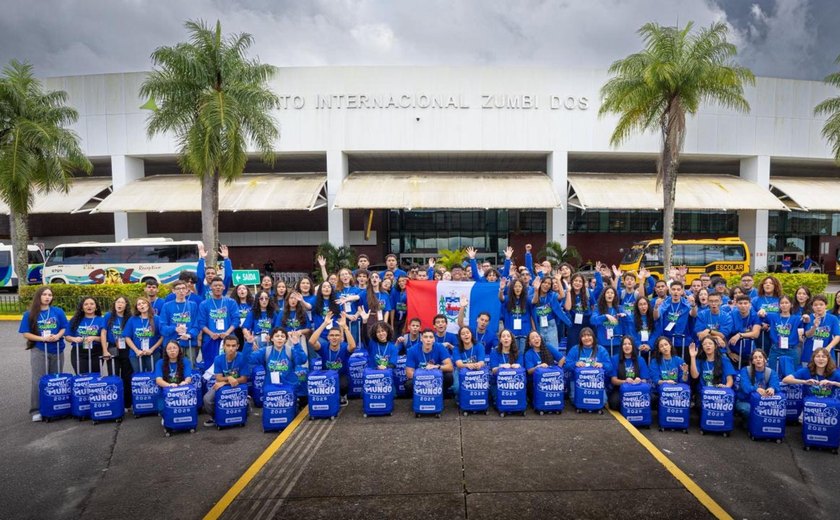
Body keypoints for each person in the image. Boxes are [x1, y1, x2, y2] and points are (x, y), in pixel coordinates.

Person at [20, 286, 68, 422]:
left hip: (57, 348)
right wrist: (42, 338)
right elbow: (25, 333)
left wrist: (58, 336)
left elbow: (65, 327)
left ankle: (55, 407)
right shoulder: (29, 314)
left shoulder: (58, 311)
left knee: (56, 379)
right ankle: (36, 409)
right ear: (39, 296)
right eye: (45, 294)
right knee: (39, 379)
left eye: (50, 295)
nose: (47, 297)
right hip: (39, 349)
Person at [203, 335, 251, 426]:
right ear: (224, 346)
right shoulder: (218, 359)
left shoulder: (242, 358)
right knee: (207, 399)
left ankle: (244, 409)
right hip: (222, 385)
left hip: (237, 384)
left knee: (241, 396)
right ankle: (216, 417)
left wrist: (225, 382)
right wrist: (228, 378)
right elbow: (218, 378)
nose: (231, 348)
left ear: (237, 346)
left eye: (233, 346)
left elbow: (244, 379)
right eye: (228, 345)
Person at [309, 312, 355, 405]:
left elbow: (353, 346)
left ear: (341, 338)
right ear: (328, 337)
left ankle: (342, 395)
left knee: (343, 385)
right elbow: (311, 341)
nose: (334, 338)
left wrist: (345, 328)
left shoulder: (344, 347)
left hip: (341, 376)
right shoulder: (324, 346)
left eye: (337, 335)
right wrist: (324, 324)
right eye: (332, 335)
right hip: (326, 375)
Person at [197, 276, 239, 366]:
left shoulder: (231, 302)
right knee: (210, 366)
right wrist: (211, 334)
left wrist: (227, 333)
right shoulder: (204, 304)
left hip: (229, 340)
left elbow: (236, 320)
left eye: (220, 285)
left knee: (229, 366)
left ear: (224, 287)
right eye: (215, 285)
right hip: (210, 339)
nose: (218, 287)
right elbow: (201, 322)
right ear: (210, 287)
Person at [564, 327, 612, 400]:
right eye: (583, 336)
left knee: (603, 401)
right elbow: (566, 366)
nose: (586, 338)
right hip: (578, 382)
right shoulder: (575, 349)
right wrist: (575, 364)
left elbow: (610, 367)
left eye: (589, 335)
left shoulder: (601, 350)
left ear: (593, 337)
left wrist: (602, 364)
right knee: (576, 400)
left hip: (596, 383)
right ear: (580, 339)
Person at [102, 296, 133, 409]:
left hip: (126, 348)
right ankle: (115, 403)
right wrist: (105, 350)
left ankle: (127, 403)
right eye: (117, 302)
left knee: (126, 376)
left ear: (126, 305)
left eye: (122, 302)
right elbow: (104, 333)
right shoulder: (108, 316)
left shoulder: (129, 317)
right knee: (113, 375)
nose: (119, 304)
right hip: (112, 348)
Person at [160, 280, 201, 364]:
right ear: (173, 291)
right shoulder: (167, 306)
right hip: (172, 344)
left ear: (187, 290)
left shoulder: (193, 305)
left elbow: (197, 324)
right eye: (178, 289)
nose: (181, 291)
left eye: (183, 288)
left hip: (189, 343)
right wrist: (175, 329)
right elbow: (162, 327)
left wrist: (190, 334)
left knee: (190, 367)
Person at [653, 281, 697, 359]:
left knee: (683, 365)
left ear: (682, 291)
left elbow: (693, 314)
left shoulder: (686, 303)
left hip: (684, 341)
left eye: (678, 289)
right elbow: (656, 317)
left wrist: (693, 305)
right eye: (673, 289)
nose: (676, 292)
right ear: (670, 291)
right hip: (668, 341)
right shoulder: (665, 303)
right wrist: (656, 307)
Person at [404, 328, 454, 395]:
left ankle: (441, 396)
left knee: (449, 376)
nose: (428, 340)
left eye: (431, 337)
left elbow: (450, 367)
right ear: (421, 339)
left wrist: (436, 367)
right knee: (408, 384)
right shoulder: (412, 350)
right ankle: (419, 398)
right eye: (425, 337)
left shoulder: (440, 347)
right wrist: (426, 378)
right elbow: (409, 373)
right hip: (420, 379)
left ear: (434, 339)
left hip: (437, 378)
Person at [65, 296, 105, 375]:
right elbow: (67, 336)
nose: (89, 306)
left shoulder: (101, 320)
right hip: (79, 351)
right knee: (81, 377)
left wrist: (94, 338)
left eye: (92, 304)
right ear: (82, 308)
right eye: (86, 304)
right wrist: (74, 339)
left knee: (95, 377)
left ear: (96, 307)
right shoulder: (74, 320)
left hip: (96, 352)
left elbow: (104, 338)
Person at [608, 335, 650, 410]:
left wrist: (639, 381)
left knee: (652, 399)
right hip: (620, 388)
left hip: (637, 388)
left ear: (633, 346)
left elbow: (645, 379)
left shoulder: (640, 360)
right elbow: (613, 380)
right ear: (621, 346)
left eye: (629, 344)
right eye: (624, 344)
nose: (627, 346)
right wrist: (625, 381)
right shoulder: (614, 359)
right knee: (614, 402)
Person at [735, 350, 780, 417]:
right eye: (755, 358)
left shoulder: (771, 372)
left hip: (763, 402)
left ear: (765, 360)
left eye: (760, 357)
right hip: (745, 401)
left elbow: (776, 384)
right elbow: (746, 388)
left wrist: (772, 388)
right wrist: (757, 389)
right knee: (749, 409)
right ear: (752, 361)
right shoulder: (745, 370)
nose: (758, 359)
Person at [124, 297, 163, 373]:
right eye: (139, 304)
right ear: (137, 308)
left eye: (144, 303)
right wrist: (136, 351)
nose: (141, 305)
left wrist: (152, 349)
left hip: (153, 353)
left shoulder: (157, 319)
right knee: (138, 376)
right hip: (136, 354)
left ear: (148, 305)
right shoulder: (132, 319)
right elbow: (127, 337)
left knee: (153, 375)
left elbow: (162, 336)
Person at [765, 295, 803, 373]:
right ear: (779, 305)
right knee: (772, 372)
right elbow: (760, 318)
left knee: (792, 372)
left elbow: (805, 325)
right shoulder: (772, 316)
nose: (784, 305)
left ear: (791, 305)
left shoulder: (797, 318)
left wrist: (806, 318)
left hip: (791, 348)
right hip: (775, 348)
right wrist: (761, 313)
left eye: (786, 303)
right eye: (782, 303)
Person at [802, 295, 840, 366]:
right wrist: (815, 326)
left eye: (821, 304)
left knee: (828, 375)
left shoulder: (833, 318)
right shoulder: (809, 317)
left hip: (826, 354)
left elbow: (837, 336)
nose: (818, 307)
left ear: (826, 305)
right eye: (815, 305)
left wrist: (828, 347)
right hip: (809, 354)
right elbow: (807, 335)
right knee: (808, 375)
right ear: (812, 307)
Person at [727, 295, 762, 369]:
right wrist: (729, 353)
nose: (743, 306)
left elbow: (756, 334)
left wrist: (740, 335)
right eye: (740, 303)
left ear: (750, 304)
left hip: (750, 352)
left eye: (745, 303)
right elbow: (724, 335)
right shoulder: (730, 315)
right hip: (734, 352)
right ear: (736, 304)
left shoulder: (754, 316)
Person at [591, 286, 625, 357]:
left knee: (616, 363)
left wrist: (625, 316)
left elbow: (629, 321)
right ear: (604, 295)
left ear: (615, 296)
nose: (610, 294)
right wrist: (605, 316)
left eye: (612, 293)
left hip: (617, 342)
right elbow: (592, 320)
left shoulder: (620, 308)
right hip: (603, 343)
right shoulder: (598, 308)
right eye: (607, 293)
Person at [499, 277, 532, 351]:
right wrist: (501, 290)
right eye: (515, 286)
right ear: (512, 288)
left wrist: (536, 290)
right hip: (512, 333)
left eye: (520, 286)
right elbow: (501, 299)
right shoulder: (508, 299)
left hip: (524, 332)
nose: (518, 288)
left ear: (523, 288)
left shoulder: (527, 299)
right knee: (514, 354)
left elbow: (534, 302)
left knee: (522, 353)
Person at [630, 296, 656, 361]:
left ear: (648, 305)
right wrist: (638, 345)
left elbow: (656, 333)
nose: (643, 307)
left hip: (651, 348)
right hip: (638, 348)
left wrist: (649, 345)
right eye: (640, 305)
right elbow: (632, 333)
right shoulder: (632, 318)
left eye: (645, 304)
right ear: (637, 307)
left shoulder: (653, 316)